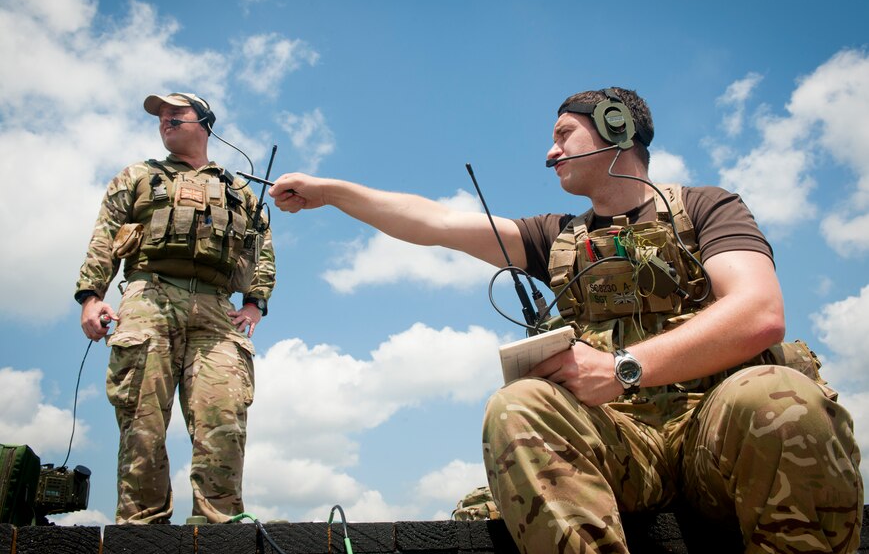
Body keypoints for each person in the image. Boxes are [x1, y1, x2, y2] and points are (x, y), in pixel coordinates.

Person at [268, 87, 862, 553]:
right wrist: (332, 191)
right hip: (618, 448)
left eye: (563, 134)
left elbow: (760, 311)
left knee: (780, 394)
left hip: (714, 439)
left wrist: (625, 367)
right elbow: (435, 223)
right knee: (517, 404)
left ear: (615, 129)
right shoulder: (556, 237)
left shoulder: (706, 207)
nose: (549, 152)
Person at [75, 92, 276, 524]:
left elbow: (262, 248)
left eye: (176, 113)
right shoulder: (138, 176)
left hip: (216, 310)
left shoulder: (238, 189)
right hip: (149, 298)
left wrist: (255, 303)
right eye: (160, 115)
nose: (165, 120)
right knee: (141, 422)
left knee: (224, 418)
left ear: (204, 122)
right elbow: (104, 235)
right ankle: (143, 527)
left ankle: (218, 527)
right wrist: (92, 296)